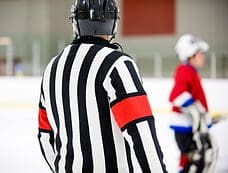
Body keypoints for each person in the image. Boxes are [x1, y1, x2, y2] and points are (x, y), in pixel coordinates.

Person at [37, 0, 167, 172]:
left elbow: (45, 136)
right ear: (112, 23)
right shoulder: (118, 64)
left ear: (76, 22)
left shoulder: (52, 67)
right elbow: (141, 132)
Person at [169, 34, 218, 173]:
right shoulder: (186, 71)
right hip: (185, 128)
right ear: (190, 55)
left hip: (188, 127)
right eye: (200, 53)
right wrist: (198, 110)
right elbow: (176, 96)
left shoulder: (190, 71)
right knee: (195, 161)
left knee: (189, 161)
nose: (203, 56)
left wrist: (204, 117)